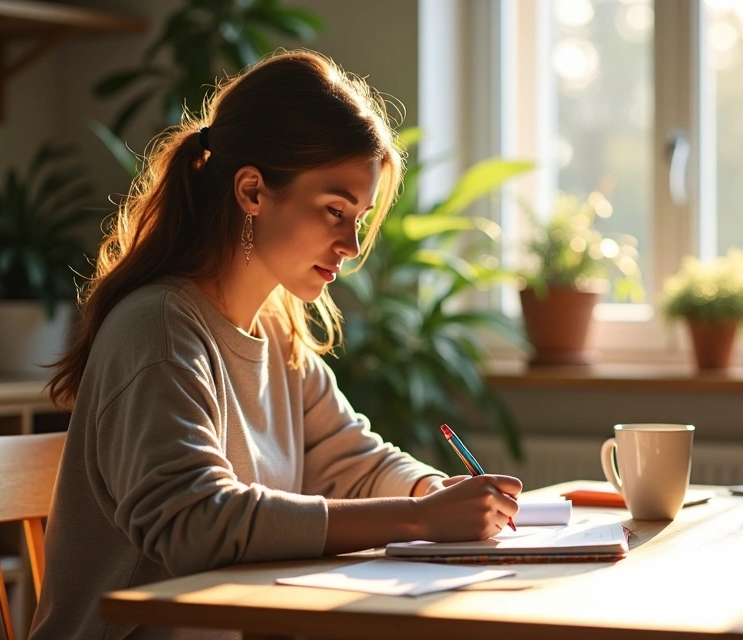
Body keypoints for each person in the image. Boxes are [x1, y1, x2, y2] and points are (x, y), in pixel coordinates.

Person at [30, 50, 522, 640]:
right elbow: (194, 524)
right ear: (253, 192)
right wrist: (419, 517)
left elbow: (353, 460)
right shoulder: (159, 330)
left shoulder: (278, 332)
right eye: (335, 210)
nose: (352, 245)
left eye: (360, 217)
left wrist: (430, 489)